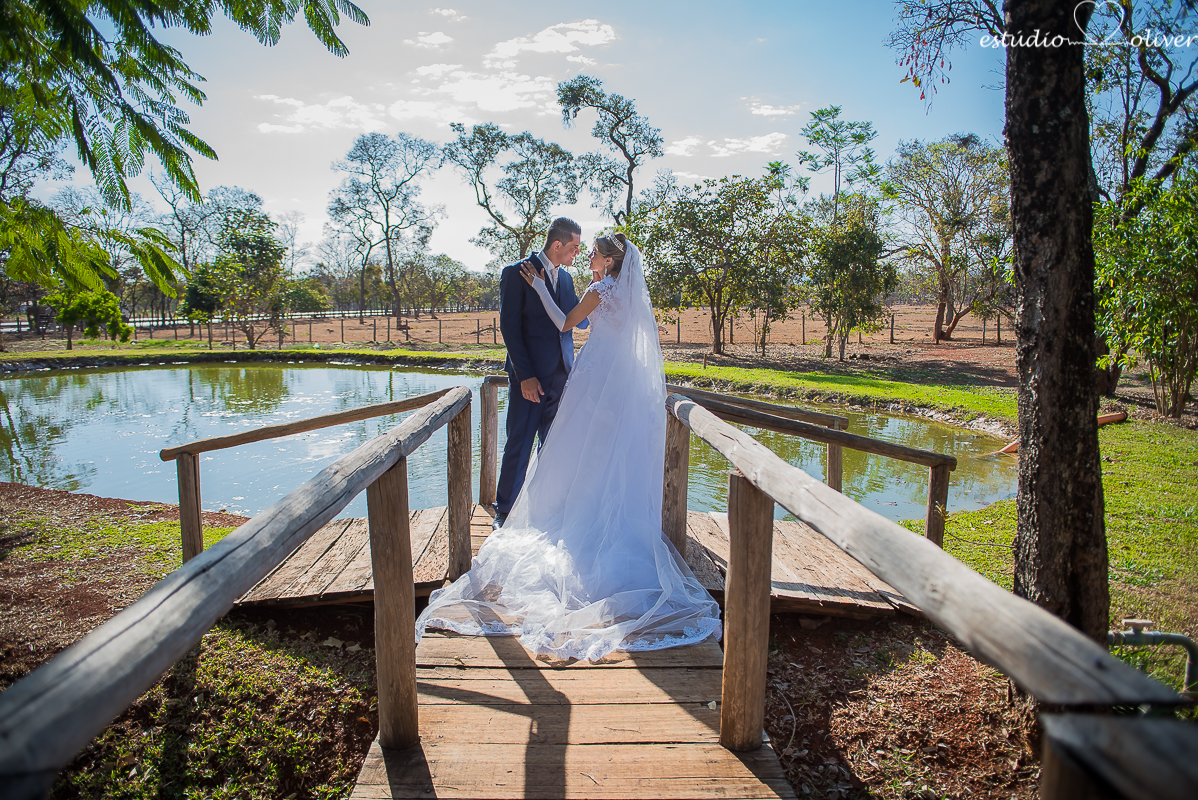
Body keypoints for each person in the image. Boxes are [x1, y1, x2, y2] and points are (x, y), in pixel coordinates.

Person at [415, 233, 721, 661]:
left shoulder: (599, 289)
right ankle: (605, 509)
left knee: (581, 449)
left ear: (611, 261)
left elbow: (566, 323)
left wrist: (540, 287)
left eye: (594, 252)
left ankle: (579, 511)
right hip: (623, 381)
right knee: (610, 453)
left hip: (595, 380)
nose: (587, 256)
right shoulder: (628, 294)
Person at [492, 217, 588, 530]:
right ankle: (504, 512)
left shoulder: (569, 279)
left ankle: (544, 511)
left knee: (552, 445)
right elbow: (510, 328)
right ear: (557, 244)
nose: (576, 253)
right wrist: (525, 375)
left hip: (562, 375)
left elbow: (576, 320)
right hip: (530, 379)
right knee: (519, 443)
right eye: (573, 247)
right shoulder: (516, 273)